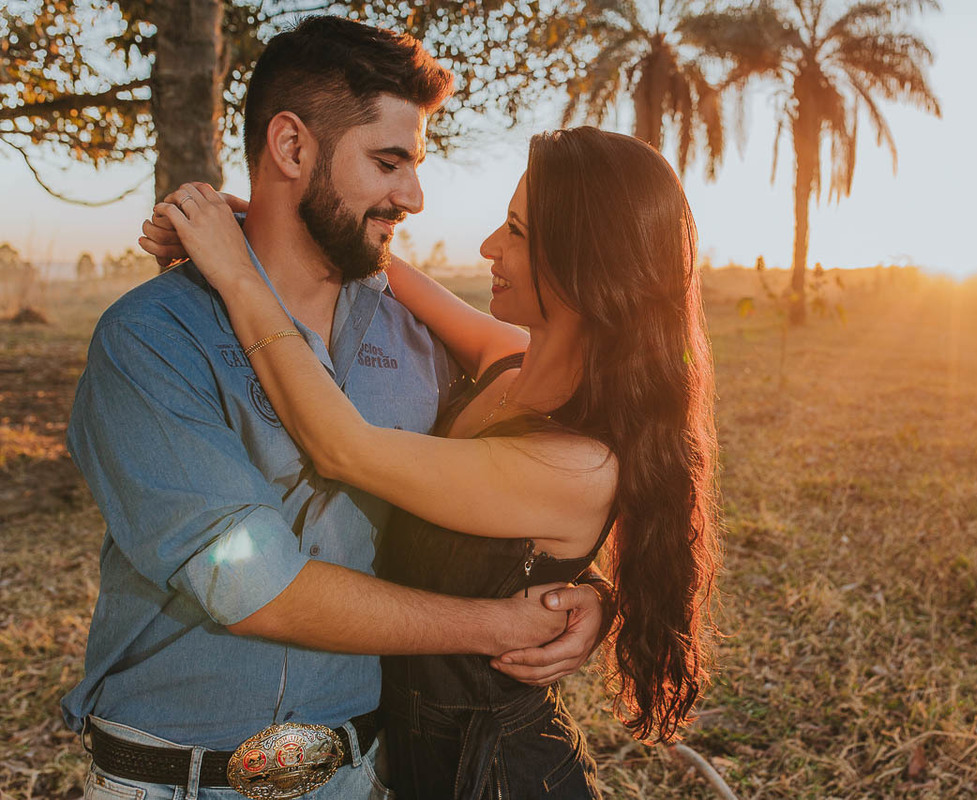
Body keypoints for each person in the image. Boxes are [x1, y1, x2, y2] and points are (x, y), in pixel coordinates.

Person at [69, 17, 607, 800]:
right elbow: (249, 585)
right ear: (291, 148)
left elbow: (533, 473)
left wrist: (584, 593)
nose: (414, 196)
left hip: (358, 776)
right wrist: (497, 626)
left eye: (414, 165)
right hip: (175, 783)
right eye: (389, 162)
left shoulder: (419, 342)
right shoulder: (151, 338)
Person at [143, 125, 721, 800]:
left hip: (496, 774)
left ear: (586, 266)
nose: (488, 248)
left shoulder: (577, 464)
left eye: (517, 231)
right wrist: (252, 218)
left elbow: (341, 446)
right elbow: (381, 267)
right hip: (410, 759)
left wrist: (237, 275)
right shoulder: (509, 360)